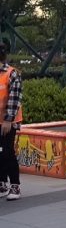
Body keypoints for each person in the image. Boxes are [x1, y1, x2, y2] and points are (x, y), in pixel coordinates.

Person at [0, 42, 23, 200]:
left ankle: (15, 186)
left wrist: (8, 120)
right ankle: (2, 184)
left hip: (8, 122)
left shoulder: (12, 73)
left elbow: (14, 99)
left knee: (7, 152)